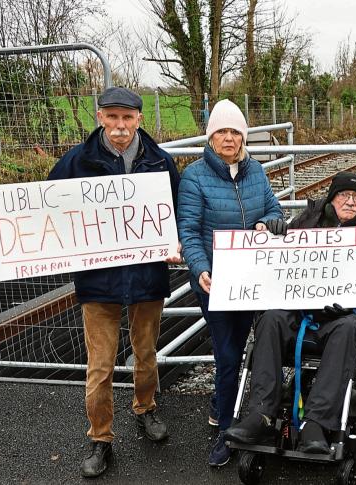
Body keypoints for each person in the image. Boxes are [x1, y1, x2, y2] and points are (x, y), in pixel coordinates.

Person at [48, 87, 181, 478]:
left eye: (127, 117)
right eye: (112, 117)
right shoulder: (77, 161)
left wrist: (171, 243)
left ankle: (145, 408)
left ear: (139, 118)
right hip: (98, 280)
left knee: (146, 354)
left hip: (146, 277)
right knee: (100, 365)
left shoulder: (160, 163)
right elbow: (48, 208)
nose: (120, 126)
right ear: (100, 117)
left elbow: (175, 212)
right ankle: (100, 437)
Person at [224, 172, 356, 453]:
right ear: (331, 199)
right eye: (343, 195)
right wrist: (275, 231)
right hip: (298, 310)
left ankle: (317, 422)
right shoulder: (307, 220)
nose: (349, 201)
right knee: (271, 318)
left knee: (348, 327)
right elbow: (280, 257)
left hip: (341, 314)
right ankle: (261, 413)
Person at [177, 99, 284, 467]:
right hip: (216, 280)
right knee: (227, 354)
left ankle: (217, 405)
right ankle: (226, 429)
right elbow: (188, 230)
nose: (228, 138)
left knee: (240, 346)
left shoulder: (256, 172)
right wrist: (199, 267)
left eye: (234, 131)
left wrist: (265, 225)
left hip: (251, 278)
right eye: (221, 131)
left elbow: (276, 212)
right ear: (210, 138)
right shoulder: (195, 177)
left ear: (243, 136)